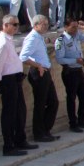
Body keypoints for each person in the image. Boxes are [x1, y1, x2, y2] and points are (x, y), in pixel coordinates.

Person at [0, 15, 36, 156]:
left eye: (18, 24)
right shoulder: (2, 42)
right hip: (8, 81)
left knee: (19, 111)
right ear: (5, 25)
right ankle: (8, 146)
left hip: (15, 79)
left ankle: (20, 140)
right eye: (13, 24)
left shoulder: (8, 40)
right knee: (9, 114)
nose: (16, 27)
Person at [19, 14, 59, 143]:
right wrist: (38, 66)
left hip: (44, 71)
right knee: (40, 104)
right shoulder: (32, 38)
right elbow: (23, 57)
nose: (46, 26)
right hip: (38, 72)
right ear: (35, 25)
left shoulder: (39, 37)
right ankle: (39, 133)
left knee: (53, 101)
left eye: (47, 24)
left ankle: (45, 130)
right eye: (43, 24)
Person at [54, 17, 84, 134]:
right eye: (72, 27)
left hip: (79, 70)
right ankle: (73, 123)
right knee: (71, 98)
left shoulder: (77, 35)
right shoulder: (60, 41)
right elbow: (60, 59)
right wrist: (75, 60)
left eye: (76, 26)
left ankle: (82, 119)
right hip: (69, 72)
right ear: (66, 27)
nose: (75, 29)